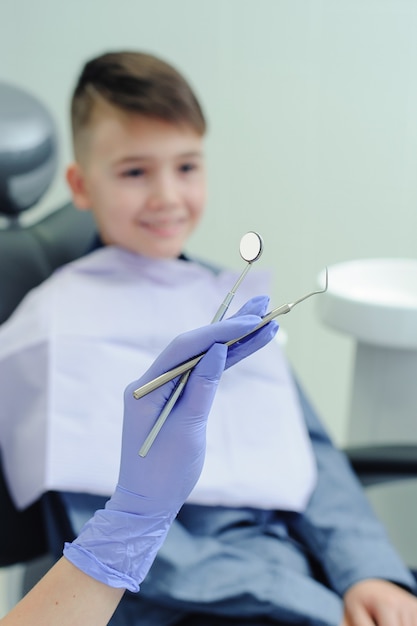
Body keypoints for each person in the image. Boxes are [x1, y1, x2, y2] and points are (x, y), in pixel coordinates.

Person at [0, 51, 416, 626]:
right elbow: (113, 540)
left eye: (187, 167)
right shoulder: (54, 330)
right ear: (80, 184)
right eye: (134, 171)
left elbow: (310, 454)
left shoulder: (221, 300)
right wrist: (305, 599)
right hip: (163, 599)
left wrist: (367, 570)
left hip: (292, 577)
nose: (168, 196)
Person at [0, 307, 277, 626]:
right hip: (197, 592)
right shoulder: (52, 322)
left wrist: (350, 575)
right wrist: (133, 521)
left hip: (276, 562)